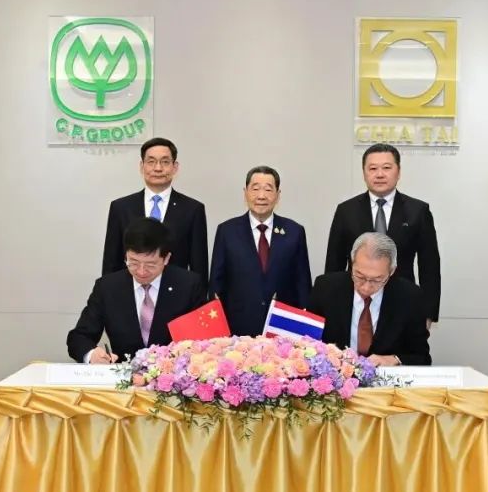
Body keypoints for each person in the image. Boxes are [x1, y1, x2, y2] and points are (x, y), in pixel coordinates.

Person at [323, 143, 440, 328]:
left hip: (403, 302)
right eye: (373, 168)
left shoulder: (418, 211)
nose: (379, 174)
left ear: (398, 172)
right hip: (356, 301)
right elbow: (334, 264)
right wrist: (330, 306)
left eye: (386, 168)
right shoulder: (346, 210)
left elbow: (430, 267)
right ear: (364, 173)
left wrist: (428, 313)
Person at [68, 218, 206, 363]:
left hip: (172, 373)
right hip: (122, 373)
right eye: (133, 262)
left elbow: (206, 340)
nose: (141, 271)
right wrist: (92, 355)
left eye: (150, 265)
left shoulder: (189, 285)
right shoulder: (108, 287)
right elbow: (79, 337)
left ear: (166, 258)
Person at [209, 166, 311, 336]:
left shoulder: (295, 232)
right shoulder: (227, 231)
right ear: (245, 193)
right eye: (255, 189)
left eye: (268, 189)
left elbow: (303, 284)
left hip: (282, 328)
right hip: (238, 328)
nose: (261, 196)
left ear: (278, 195)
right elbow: (216, 284)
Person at [308, 232, 431, 366]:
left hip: (385, 378)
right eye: (359, 276)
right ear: (352, 263)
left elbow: (421, 357)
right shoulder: (325, 288)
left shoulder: (410, 297)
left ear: (392, 271)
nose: (366, 287)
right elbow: (306, 343)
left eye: (377, 279)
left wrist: (394, 359)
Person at [102, 137, 209, 283]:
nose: (158, 168)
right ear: (142, 166)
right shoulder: (121, 207)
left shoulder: (193, 209)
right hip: (130, 291)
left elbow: (199, 266)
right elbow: (111, 263)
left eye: (165, 162)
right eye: (151, 162)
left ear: (175, 167)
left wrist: (199, 294)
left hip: (177, 290)